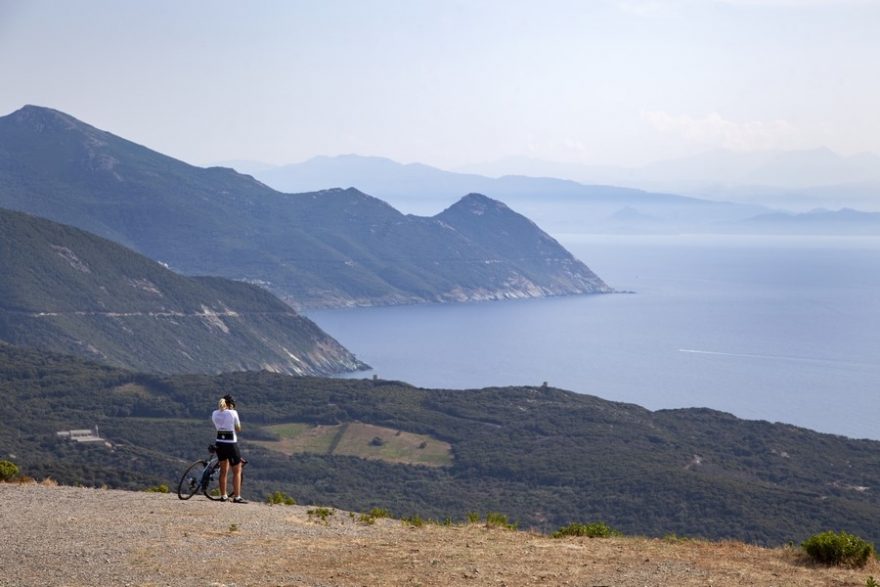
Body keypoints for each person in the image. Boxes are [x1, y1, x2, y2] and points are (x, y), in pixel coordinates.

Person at [211, 394, 247, 503]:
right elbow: (238, 428)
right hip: (231, 444)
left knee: (223, 471)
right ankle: (237, 497)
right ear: (230, 405)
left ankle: (224, 496)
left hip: (219, 443)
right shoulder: (233, 413)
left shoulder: (214, 413)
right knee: (237, 470)